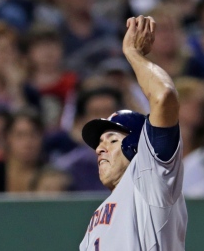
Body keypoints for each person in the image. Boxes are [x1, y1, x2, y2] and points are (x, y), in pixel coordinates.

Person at [80, 15, 186, 250]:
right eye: (99, 142)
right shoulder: (96, 219)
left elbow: (164, 96)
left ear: (136, 148)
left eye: (112, 139)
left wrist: (133, 54)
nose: (99, 148)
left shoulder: (151, 180)